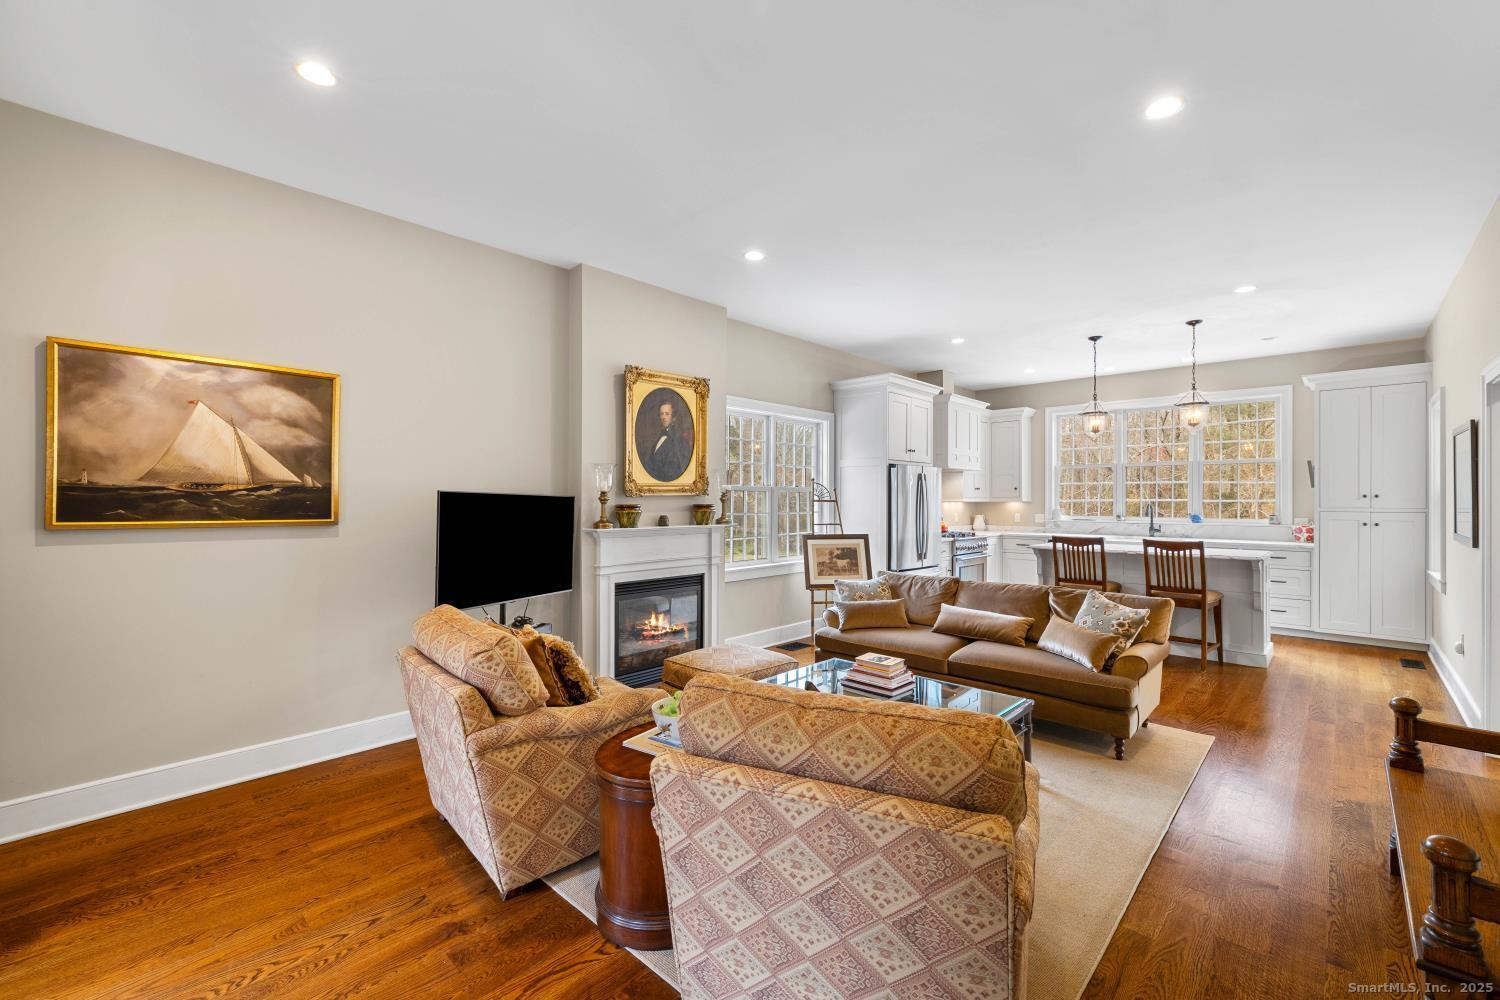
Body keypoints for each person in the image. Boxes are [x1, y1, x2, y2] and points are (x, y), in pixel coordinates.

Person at [640, 396, 692, 481]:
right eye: (661, 414)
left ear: (674, 418)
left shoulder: (679, 441)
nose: (663, 417)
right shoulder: (660, 436)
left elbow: (673, 470)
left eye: (667, 414)